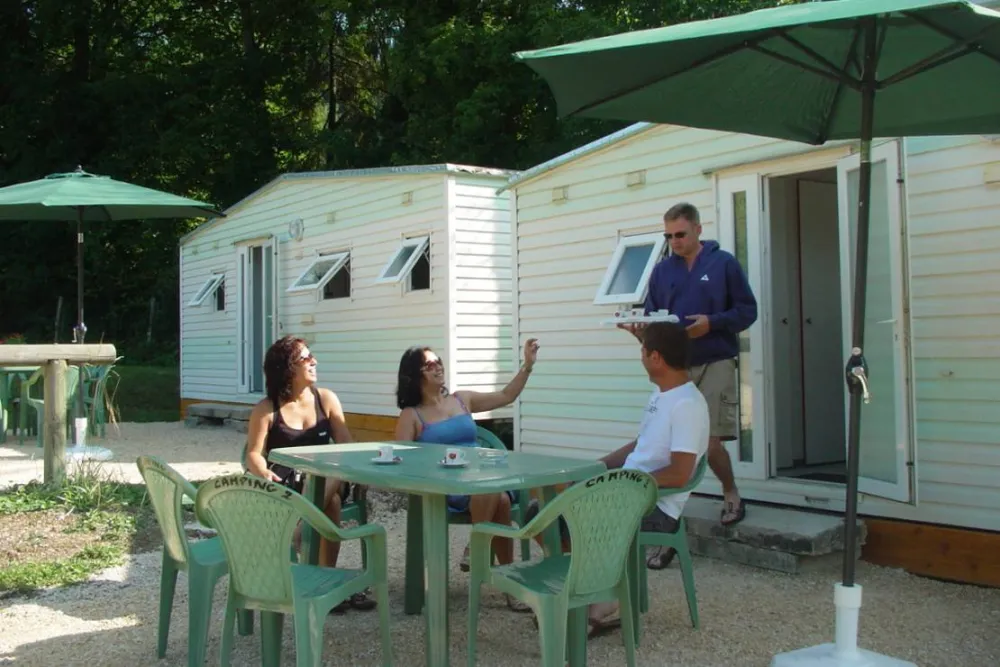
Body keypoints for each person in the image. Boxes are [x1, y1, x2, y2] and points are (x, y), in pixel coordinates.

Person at [620, 201, 757, 545]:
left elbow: (747, 310)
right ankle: (666, 526)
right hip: (674, 366)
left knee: (709, 443)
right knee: (667, 443)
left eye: (680, 234)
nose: (675, 241)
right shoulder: (663, 270)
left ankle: (731, 492)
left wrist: (713, 322)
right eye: (668, 236)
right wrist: (641, 331)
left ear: (698, 229)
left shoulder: (723, 263)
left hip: (715, 358)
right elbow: (654, 316)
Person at [393, 339, 539, 612]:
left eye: (439, 361)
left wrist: (527, 366)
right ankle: (507, 582)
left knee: (501, 499)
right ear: (415, 376)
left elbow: (507, 396)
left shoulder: (461, 399)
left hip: (481, 476)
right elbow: (403, 459)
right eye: (429, 364)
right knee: (497, 495)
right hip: (446, 483)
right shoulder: (411, 415)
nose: (438, 366)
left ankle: (480, 550)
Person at [244, 335, 376, 613]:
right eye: (305, 358)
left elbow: (346, 446)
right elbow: (254, 453)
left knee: (332, 470)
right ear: (287, 368)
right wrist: (262, 472)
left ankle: (300, 532)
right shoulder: (267, 409)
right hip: (287, 483)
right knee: (334, 503)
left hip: (327, 477)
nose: (314, 361)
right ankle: (327, 582)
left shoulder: (326, 399)